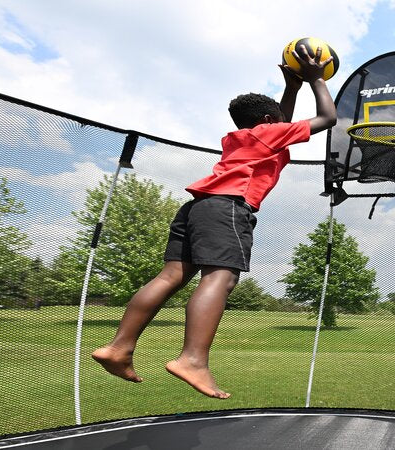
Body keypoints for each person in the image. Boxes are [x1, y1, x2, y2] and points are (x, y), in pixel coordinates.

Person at [92, 44, 337, 399]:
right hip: (228, 208)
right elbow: (327, 118)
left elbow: (279, 122)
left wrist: (291, 88)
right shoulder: (270, 134)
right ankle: (192, 360)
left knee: (171, 276)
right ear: (270, 124)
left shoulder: (241, 138)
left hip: (197, 207)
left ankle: (118, 347)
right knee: (220, 278)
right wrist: (315, 79)